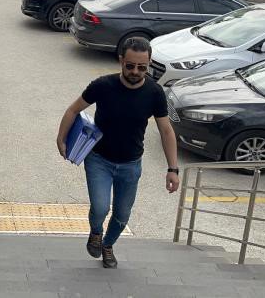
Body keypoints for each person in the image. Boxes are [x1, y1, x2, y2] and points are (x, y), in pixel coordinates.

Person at [55, 37, 180, 269]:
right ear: (121, 60)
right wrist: (61, 138)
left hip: (131, 165)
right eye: (130, 65)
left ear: (149, 63)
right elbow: (73, 109)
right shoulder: (103, 86)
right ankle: (95, 232)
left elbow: (166, 131)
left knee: (122, 215)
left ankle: (108, 245)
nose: (135, 71)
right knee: (101, 207)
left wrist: (173, 169)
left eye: (142, 67)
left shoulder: (154, 92)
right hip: (99, 159)